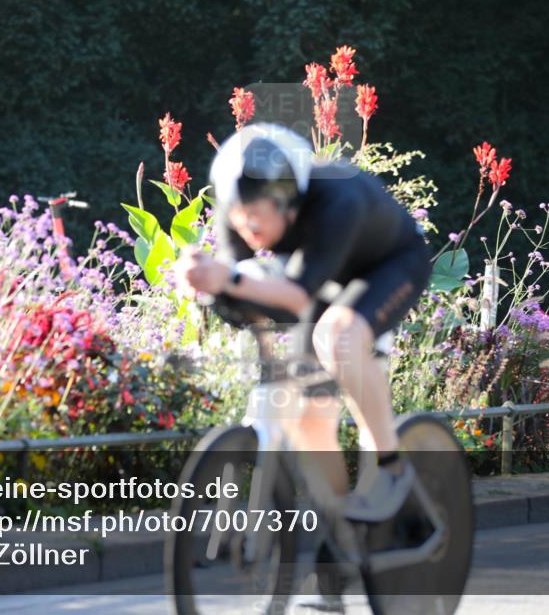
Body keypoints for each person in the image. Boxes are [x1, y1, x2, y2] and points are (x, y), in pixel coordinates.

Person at [175, 123, 432, 608]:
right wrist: (205, 283)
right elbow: (245, 283)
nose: (247, 229)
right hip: (321, 277)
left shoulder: (337, 203)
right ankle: (338, 551)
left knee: (338, 334)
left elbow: (293, 294)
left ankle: (393, 468)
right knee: (308, 418)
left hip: (388, 264)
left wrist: (226, 276)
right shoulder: (243, 209)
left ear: (288, 202)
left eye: (257, 219)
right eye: (238, 218)